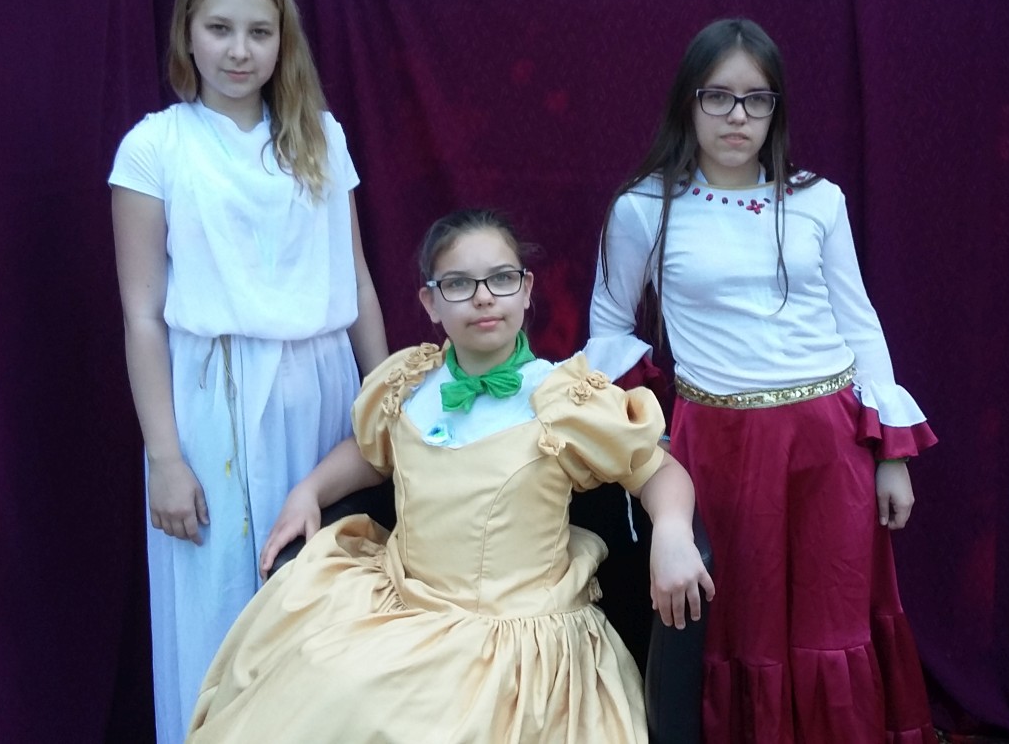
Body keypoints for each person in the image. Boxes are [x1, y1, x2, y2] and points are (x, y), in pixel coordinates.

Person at [186, 209, 714, 743]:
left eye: (501, 279)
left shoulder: (564, 399)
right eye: (459, 284)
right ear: (431, 303)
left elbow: (658, 472)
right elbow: (371, 456)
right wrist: (310, 491)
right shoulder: (411, 384)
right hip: (403, 605)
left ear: (526, 290)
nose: (483, 298)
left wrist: (672, 531)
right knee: (315, 683)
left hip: (511, 639)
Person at [589, 17, 939, 744]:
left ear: (776, 109)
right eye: (718, 97)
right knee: (738, 623)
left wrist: (892, 456)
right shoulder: (643, 208)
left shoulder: (818, 200)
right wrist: (639, 447)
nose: (737, 116)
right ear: (688, 102)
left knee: (830, 619)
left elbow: (859, 322)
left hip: (828, 444)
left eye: (757, 99)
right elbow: (610, 329)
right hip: (718, 450)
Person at [108, 0, 389, 744]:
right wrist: (165, 457)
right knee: (221, 606)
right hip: (213, 397)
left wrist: (387, 400)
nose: (240, 50)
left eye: (259, 32)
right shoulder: (156, 148)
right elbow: (142, 315)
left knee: (321, 596)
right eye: (220, 29)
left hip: (324, 386)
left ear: (282, 40)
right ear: (187, 34)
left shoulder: (320, 138)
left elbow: (357, 280)